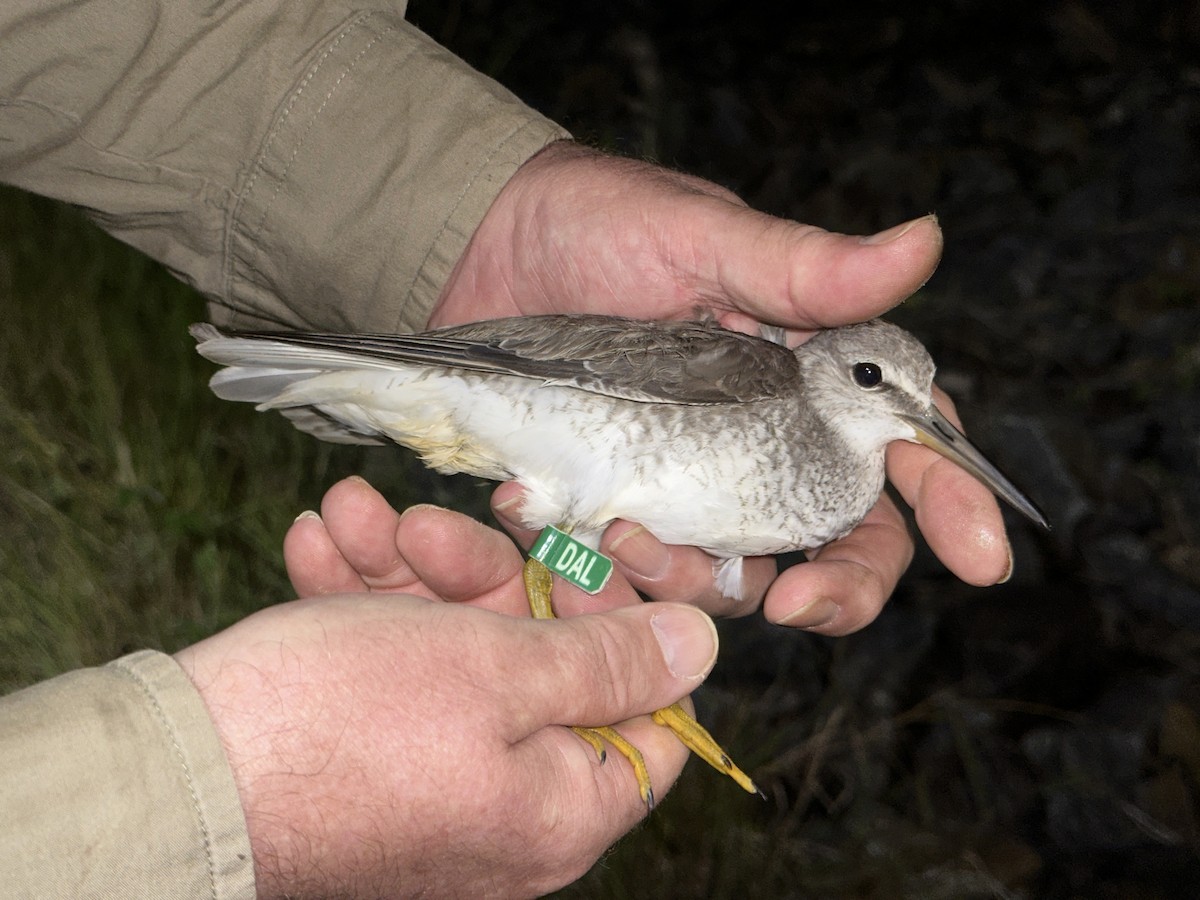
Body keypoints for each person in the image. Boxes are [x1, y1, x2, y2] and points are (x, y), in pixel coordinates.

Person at [0, 2, 1013, 897]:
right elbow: (574, 366)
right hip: (510, 381)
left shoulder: (839, 483)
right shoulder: (762, 377)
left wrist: (463, 217)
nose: (916, 418)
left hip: (547, 485)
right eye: (879, 385)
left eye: (918, 403)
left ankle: (583, 676)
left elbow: (566, 519)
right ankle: (584, 681)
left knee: (560, 538)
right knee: (566, 533)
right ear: (829, 369)